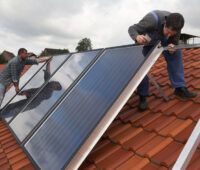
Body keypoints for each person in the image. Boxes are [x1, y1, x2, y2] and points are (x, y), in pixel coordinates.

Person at [128, 10, 197, 110]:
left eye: (172, 33)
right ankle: (142, 96)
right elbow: (132, 28)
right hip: (145, 41)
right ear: (165, 23)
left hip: (162, 42)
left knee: (176, 51)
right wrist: (137, 36)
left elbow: (173, 39)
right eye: (168, 32)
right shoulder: (151, 21)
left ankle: (179, 88)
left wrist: (172, 43)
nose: (169, 34)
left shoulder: (177, 26)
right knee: (140, 63)